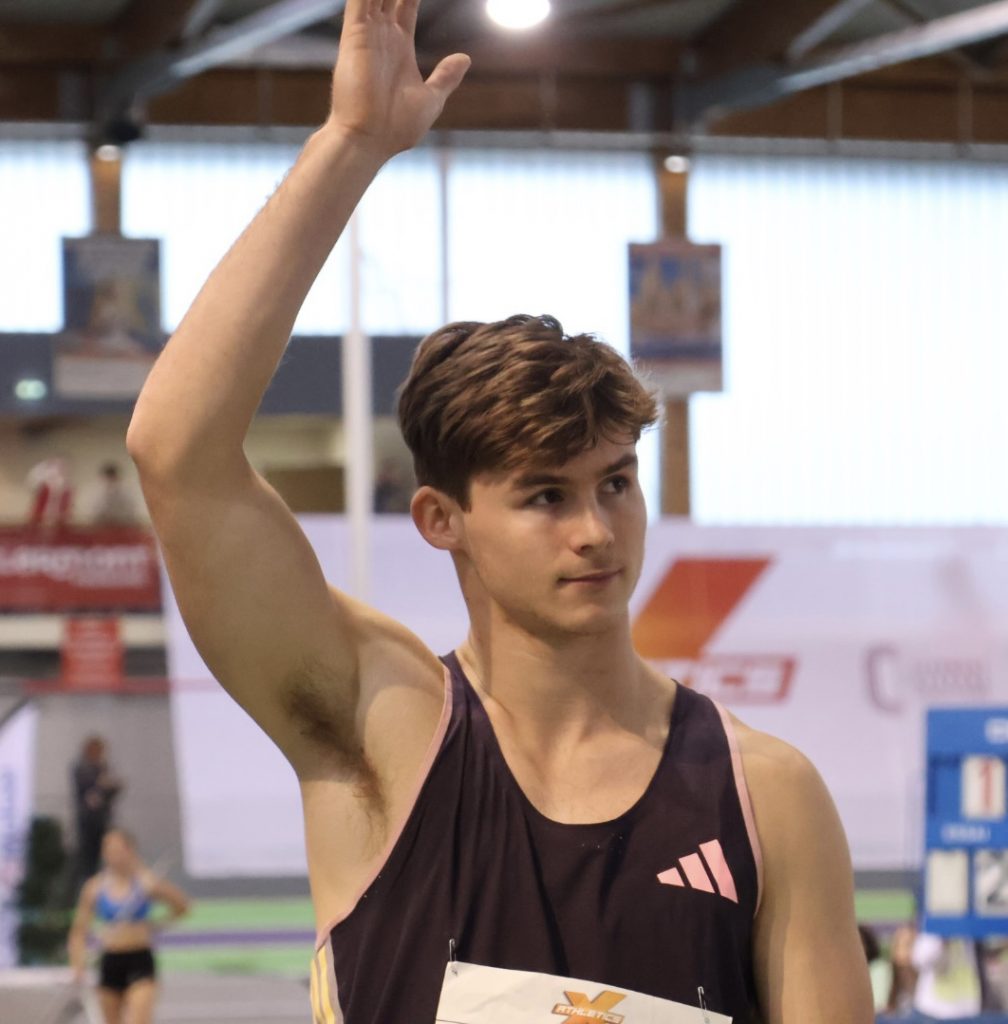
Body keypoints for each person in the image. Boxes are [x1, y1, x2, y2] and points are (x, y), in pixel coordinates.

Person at [126, 0, 874, 1020]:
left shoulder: (765, 795)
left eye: (617, 482)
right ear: (442, 519)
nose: (596, 530)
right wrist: (350, 145)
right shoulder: (382, 729)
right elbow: (175, 453)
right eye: (544, 496)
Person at [68, 828, 190, 1024]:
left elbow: (182, 906)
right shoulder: (95, 887)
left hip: (139, 959)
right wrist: (77, 965)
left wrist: (157, 923)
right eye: (109, 850)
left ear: (130, 850)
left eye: (118, 850)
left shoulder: (145, 882)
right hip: (110, 961)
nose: (114, 856)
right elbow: (79, 931)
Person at [72, 736, 124, 891]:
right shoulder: (82, 768)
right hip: (88, 823)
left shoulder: (103, 767)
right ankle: (88, 890)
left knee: (106, 856)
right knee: (88, 861)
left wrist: (107, 786)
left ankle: (106, 888)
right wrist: (102, 786)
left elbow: (109, 789)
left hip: (103, 820)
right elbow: (91, 790)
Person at [91, 462, 139, 526]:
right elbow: (95, 510)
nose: (110, 481)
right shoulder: (97, 491)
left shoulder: (125, 490)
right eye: (108, 478)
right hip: (102, 523)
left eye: (112, 477)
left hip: (122, 523)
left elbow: (131, 509)